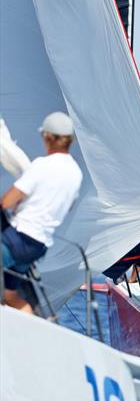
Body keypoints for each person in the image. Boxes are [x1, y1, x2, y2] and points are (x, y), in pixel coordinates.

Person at [1, 112, 83, 313]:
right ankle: (30, 330)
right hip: (38, 247)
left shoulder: (42, 166)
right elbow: (69, 205)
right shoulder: (75, 173)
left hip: (18, 240)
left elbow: (7, 202)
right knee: (11, 295)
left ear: (47, 137)